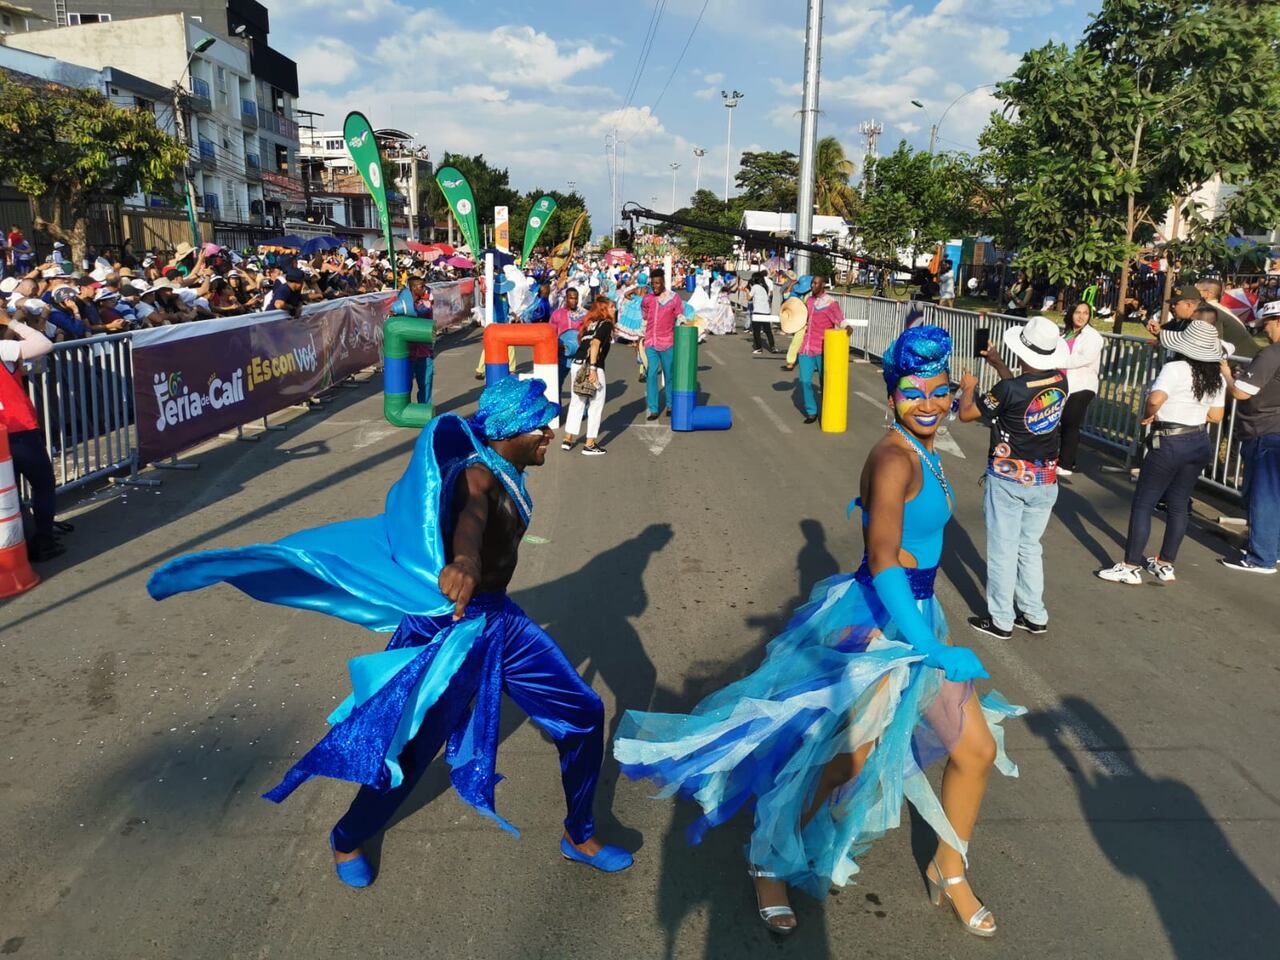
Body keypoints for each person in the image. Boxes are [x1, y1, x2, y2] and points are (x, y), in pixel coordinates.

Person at [615, 326, 1023, 938]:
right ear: (890, 396)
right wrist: (932, 645)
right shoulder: (892, 457)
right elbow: (884, 560)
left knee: (976, 750)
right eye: (914, 392)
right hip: (880, 625)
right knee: (843, 761)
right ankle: (768, 857)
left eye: (938, 391)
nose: (931, 404)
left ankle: (950, 865)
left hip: (917, 615)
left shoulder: (928, 447)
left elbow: (908, 522)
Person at [148, 377, 634, 887]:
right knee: (409, 749)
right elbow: (471, 516)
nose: (549, 434)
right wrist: (464, 559)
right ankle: (347, 836)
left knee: (584, 713)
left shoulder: (507, 467)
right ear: (510, 431)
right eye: (540, 425)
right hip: (452, 630)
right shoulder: (478, 476)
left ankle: (578, 833)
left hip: (501, 622)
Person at [957, 315, 1068, 639]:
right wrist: (997, 363)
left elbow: (968, 414)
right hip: (1045, 478)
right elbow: (1022, 395)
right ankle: (1034, 613)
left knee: (1003, 549)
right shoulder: (1060, 381)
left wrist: (970, 388)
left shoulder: (1008, 388)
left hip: (1008, 478)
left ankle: (1001, 619)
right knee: (1029, 547)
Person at [1097, 317, 1225, 584]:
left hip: (1169, 439)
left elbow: (1156, 398)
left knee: (1145, 502)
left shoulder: (1176, 368)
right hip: (1198, 439)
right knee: (1179, 504)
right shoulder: (1216, 377)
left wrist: (1148, 414)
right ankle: (1166, 562)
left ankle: (1131, 565)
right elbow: (1216, 415)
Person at [1218, 298, 1280, 574]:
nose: (1265, 331)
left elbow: (1242, 392)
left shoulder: (1273, 354)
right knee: (1272, 497)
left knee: (1261, 497)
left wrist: (1228, 376)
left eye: (1267, 324)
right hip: (1271, 429)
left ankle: (1261, 557)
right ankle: (1270, 550)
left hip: (1264, 432)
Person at [0, 306, 63, 561]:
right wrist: (12, 323)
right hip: (19, 430)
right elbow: (43, 344)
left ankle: (18, 543)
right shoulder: (3, 348)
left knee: (9, 492)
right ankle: (43, 540)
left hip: (5, 432)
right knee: (43, 484)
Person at [561, 298, 615, 456]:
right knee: (596, 404)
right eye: (611, 307)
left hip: (577, 363)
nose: (614, 310)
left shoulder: (589, 324)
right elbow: (595, 344)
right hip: (592, 365)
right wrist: (593, 369)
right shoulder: (605, 324)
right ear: (604, 309)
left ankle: (568, 438)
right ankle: (590, 443)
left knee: (577, 401)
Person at [1057, 302, 1105, 475]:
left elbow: (1084, 358)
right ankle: (1066, 458)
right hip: (1063, 383)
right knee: (1063, 421)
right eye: (1078, 312)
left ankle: (1066, 464)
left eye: (1085, 313)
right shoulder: (1066, 334)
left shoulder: (1093, 337)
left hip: (1083, 385)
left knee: (1071, 421)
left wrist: (1058, 362)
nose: (1081, 316)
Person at [796, 274, 848, 424]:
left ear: (823, 285)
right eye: (812, 283)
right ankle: (812, 412)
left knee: (825, 382)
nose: (813, 285)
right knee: (804, 381)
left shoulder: (831, 303)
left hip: (823, 348)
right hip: (806, 348)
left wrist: (847, 327)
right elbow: (800, 317)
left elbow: (840, 318)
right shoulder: (808, 301)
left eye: (816, 283)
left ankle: (827, 410)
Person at [641, 268, 683, 421]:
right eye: (652, 284)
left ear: (663, 282)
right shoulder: (647, 299)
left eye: (657, 283)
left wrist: (681, 320)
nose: (655, 286)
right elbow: (644, 314)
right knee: (651, 374)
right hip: (650, 342)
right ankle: (653, 408)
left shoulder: (674, 298)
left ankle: (670, 405)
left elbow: (679, 314)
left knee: (669, 374)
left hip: (667, 342)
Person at [747, 271, 776, 355]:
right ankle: (772, 347)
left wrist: (746, 291)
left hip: (757, 312)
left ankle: (759, 348)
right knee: (768, 331)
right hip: (766, 312)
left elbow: (749, 298)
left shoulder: (755, 287)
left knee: (756, 332)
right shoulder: (764, 287)